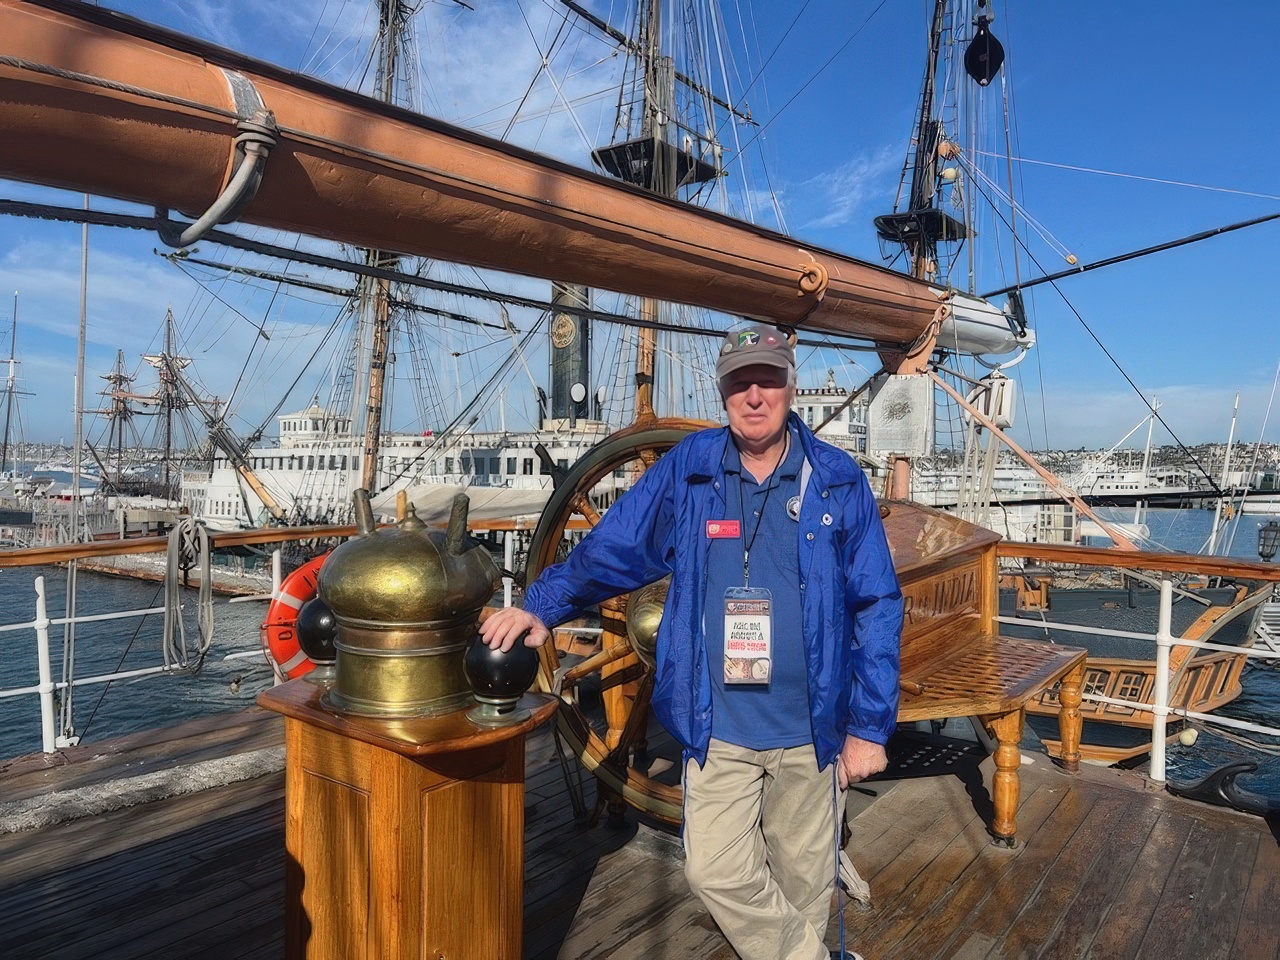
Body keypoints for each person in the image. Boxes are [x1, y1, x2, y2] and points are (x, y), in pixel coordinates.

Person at [481, 322, 903, 960]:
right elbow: (616, 546)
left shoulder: (836, 479)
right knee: (714, 872)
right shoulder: (691, 471)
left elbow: (876, 603)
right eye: (740, 382)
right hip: (718, 724)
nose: (754, 395)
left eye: (767, 380)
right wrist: (542, 605)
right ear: (723, 392)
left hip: (812, 730)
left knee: (804, 888)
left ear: (790, 387)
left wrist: (868, 727)